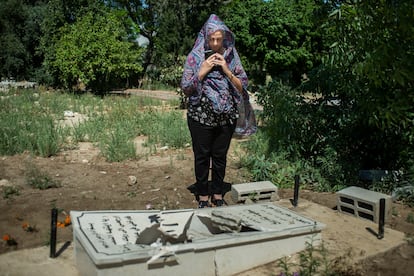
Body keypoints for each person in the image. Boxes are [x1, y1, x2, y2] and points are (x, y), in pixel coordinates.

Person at [181, 14, 254, 208]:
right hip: (200, 117)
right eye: (211, 39)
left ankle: (218, 193)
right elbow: (186, 88)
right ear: (205, 37)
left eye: (218, 39)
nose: (214, 43)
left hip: (226, 118)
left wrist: (226, 69)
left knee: (220, 157)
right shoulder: (195, 58)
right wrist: (203, 70)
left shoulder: (231, 57)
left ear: (225, 38)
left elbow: (242, 87)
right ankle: (203, 196)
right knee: (202, 156)